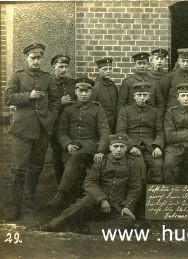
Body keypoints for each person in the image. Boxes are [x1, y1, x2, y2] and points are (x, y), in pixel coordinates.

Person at [42, 134, 143, 234]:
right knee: (80, 205)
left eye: (122, 146)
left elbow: (136, 187)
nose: (118, 149)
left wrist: (127, 206)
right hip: (96, 201)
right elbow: (90, 182)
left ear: (126, 148)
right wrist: (102, 199)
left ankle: (88, 228)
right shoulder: (102, 161)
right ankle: (52, 225)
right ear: (110, 148)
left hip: (116, 205)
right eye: (116, 146)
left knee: (128, 221)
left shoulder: (132, 163)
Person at [3, 43, 60, 219]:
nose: (36, 61)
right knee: (20, 168)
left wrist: (50, 118)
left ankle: (29, 200)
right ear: (27, 58)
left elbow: (55, 101)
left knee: (36, 167)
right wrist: (29, 96)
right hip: (23, 129)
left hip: (42, 130)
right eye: (33, 58)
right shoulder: (18, 76)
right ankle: (15, 206)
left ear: (42, 59)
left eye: (39, 58)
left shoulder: (47, 78)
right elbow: (7, 98)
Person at [46, 77, 111, 209]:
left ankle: (61, 194)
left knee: (75, 157)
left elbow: (105, 132)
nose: (83, 94)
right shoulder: (69, 109)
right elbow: (61, 131)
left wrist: (100, 150)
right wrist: (68, 144)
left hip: (90, 148)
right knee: (72, 158)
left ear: (91, 92)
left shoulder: (97, 109)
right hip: (72, 147)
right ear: (75, 91)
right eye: (80, 91)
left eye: (87, 91)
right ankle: (73, 204)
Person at [116, 82, 164, 185]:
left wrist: (158, 146)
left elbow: (160, 131)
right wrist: (131, 146)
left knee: (158, 166)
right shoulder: (125, 110)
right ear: (134, 96)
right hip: (133, 147)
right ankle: (140, 199)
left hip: (150, 147)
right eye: (139, 95)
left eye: (145, 95)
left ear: (149, 96)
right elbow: (121, 132)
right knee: (140, 169)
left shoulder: (155, 111)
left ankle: (154, 197)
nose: (142, 98)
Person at [50, 54, 76, 185]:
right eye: (60, 66)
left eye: (66, 67)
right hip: (55, 126)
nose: (63, 70)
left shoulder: (72, 83)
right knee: (57, 155)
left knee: (70, 155)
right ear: (54, 66)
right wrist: (60, 102)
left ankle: (69, 186)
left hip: (70, 126)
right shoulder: (48, 83)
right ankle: (59, 185)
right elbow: (43, 106)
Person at [92, 57, 118, 133]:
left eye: (110, 69)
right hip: (102, 124)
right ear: (99, 70)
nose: (108, 71)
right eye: (105, 69)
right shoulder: (95, 86)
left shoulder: (113, 85)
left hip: (114, 123)